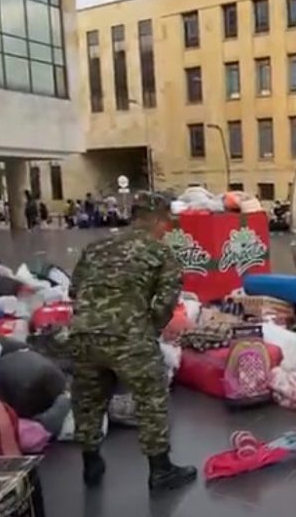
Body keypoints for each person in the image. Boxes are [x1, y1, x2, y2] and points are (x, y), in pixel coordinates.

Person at [69, 191, 196, 491]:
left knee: (88, 400)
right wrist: (147, 329)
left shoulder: (96, 246)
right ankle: (161, 469)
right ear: (155, 219)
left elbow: (75, 290)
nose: (168, 228)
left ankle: (91, 461)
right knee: (151, 397)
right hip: (129, 336)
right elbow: (166, 302)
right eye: (167, 221)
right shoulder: (161, 252)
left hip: (84, 333)